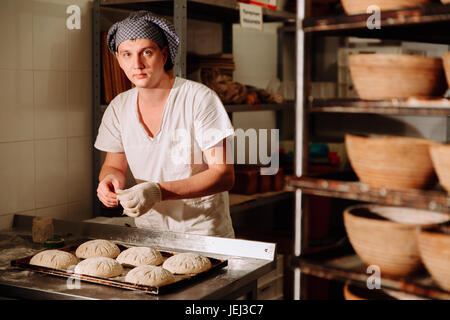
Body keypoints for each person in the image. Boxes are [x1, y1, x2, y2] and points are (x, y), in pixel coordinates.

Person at [94, 11, 235, 238]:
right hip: (150, 232)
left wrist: (158, 192)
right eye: (127, 54)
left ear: (164, 54)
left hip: (203, 234)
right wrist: (109, 181)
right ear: (118, 59)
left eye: (146, 52)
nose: (137, 64)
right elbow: (114, 167)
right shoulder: (119, 108)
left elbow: (224, 175)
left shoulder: (198, 99)